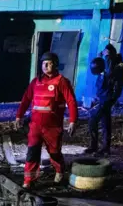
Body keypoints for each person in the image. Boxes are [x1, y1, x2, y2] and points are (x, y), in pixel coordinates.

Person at [15, 52, 78, 188]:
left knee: (54, 153)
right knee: (32, 152)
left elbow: (71, 101)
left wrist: (73, 121)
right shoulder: (36, 81)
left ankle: (59, 171)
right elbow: (26, 99)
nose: (46, 66)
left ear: (55, 65)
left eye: (49, 63)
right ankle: (28, 181)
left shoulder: (62, 81)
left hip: (53, 127)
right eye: (44, 63)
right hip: (35, 126)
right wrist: (19, 116)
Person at [87, 43, 123, 157]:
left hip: (108, 98)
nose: (105, 56)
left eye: (107, 54)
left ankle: (97, 146)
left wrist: (114, 97)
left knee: (93, 119)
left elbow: (114, 79)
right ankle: (104, 148)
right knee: (105, 122)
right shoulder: (106, 64)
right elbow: (101, 78)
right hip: (103, 97)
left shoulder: (120, 65)